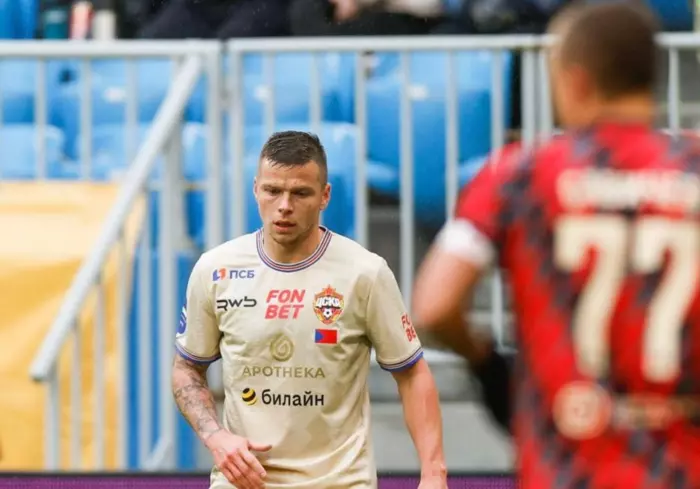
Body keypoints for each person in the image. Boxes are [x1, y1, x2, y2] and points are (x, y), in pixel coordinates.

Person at [412, 2, 700, 488]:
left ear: (576, 80)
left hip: (565, 466)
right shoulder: (693, 167)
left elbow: (434, 307)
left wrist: (488, 365)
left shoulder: (519, 173)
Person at [171, 131, 447, 489]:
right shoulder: (215, 270)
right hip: (243, 482)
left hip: (339, 482)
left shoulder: (365, 273)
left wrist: (434, 472)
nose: (284, 205)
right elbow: (187, 368)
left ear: (325, 196)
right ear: (255, 189)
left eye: (300, 193)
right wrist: (215, 437)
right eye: (272, 190)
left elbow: (412, 374)